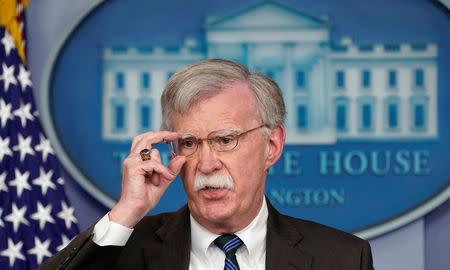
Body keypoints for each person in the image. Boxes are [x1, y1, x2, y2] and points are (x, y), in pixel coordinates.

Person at [39, 59, 374, 269]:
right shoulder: (124, 250)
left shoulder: (342, 259)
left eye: (225, 140)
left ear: (271, 146)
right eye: (189, 143)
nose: (207, 163)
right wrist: (127, 212)